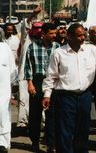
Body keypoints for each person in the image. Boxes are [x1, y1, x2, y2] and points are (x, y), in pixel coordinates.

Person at [42, 23, 96, 153]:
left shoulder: (91, 50)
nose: (82, 38)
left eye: (83, 35)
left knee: (83, 129)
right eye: (79, 36)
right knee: (65, 130)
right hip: (65, 97)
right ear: (69, 36)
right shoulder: (58, 53)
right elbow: (51, 76)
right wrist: (47, 95)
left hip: (85, 96)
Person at [24, 22, 60, 152]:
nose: (54, 36)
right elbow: (28, 66)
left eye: (54, 33)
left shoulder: (57, 47)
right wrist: (30, 83)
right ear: (43, 34)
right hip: (37, 81)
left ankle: (51, 143)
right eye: (51, 33)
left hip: (53, 82)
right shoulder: (32, 47)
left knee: (52, 114)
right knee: (35, 113)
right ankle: (34, 141)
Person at [0, 40, 18, 152]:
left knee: (3, 115)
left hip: (3, 90)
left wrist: (15, 84)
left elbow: (12, 68)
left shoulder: (5, 47)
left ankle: (3, 143)